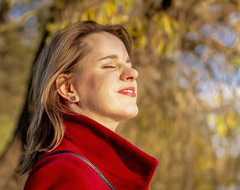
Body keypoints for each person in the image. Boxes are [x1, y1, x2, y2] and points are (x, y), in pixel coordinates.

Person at [21, 21, 158, 190]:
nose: (133, 73)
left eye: (129, 65)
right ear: (68, 87)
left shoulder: (87, 169)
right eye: (110, 65)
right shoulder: (65, 171)